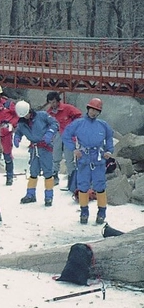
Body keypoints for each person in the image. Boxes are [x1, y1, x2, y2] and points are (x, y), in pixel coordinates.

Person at [61, 97, 114, 225]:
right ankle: (84, 212)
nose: (94, 112)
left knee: (100, 186)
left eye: (97, 110)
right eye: (92, 109)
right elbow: (66, 135)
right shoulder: (78, 123)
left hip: (98, 159)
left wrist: (109, 151)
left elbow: (110, 137)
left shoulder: (103, 125)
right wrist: (74, 149)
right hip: (84, 159)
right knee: (83, 186)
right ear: (88, 108)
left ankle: (102, 212)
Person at [13, 100, 59, 207]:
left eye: (27, 114)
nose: (26, 117)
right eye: (24, 116)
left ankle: (48, 197)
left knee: (48, 172)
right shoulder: (22, 123)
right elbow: (19, 131)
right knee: (33, 171)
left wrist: (49, 133)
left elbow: (54, 123)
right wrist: (17, 137)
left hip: (45, 148)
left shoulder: (42, 115)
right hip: (34, 149)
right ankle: (30, 195)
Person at [45, 92, 82, 186]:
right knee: (55, 157)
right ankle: (54, 176)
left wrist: (73, 127)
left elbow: (79, 116)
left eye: (53, 102)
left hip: (69, 136)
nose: (52, 105)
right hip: (57, 135)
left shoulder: (67, 108)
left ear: (58, 101)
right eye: (50, 102)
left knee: (69, 159)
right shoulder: (49, 112)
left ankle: (72, 179)